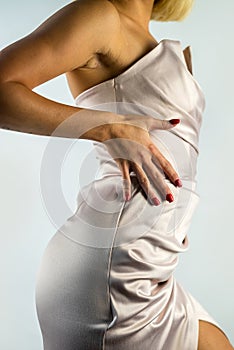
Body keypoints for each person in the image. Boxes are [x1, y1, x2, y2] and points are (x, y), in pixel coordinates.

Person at [0, 0, 233, 349]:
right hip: (115, 270)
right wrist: (107, 128)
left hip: (151, 263)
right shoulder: (101, 15)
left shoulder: (142, 35)